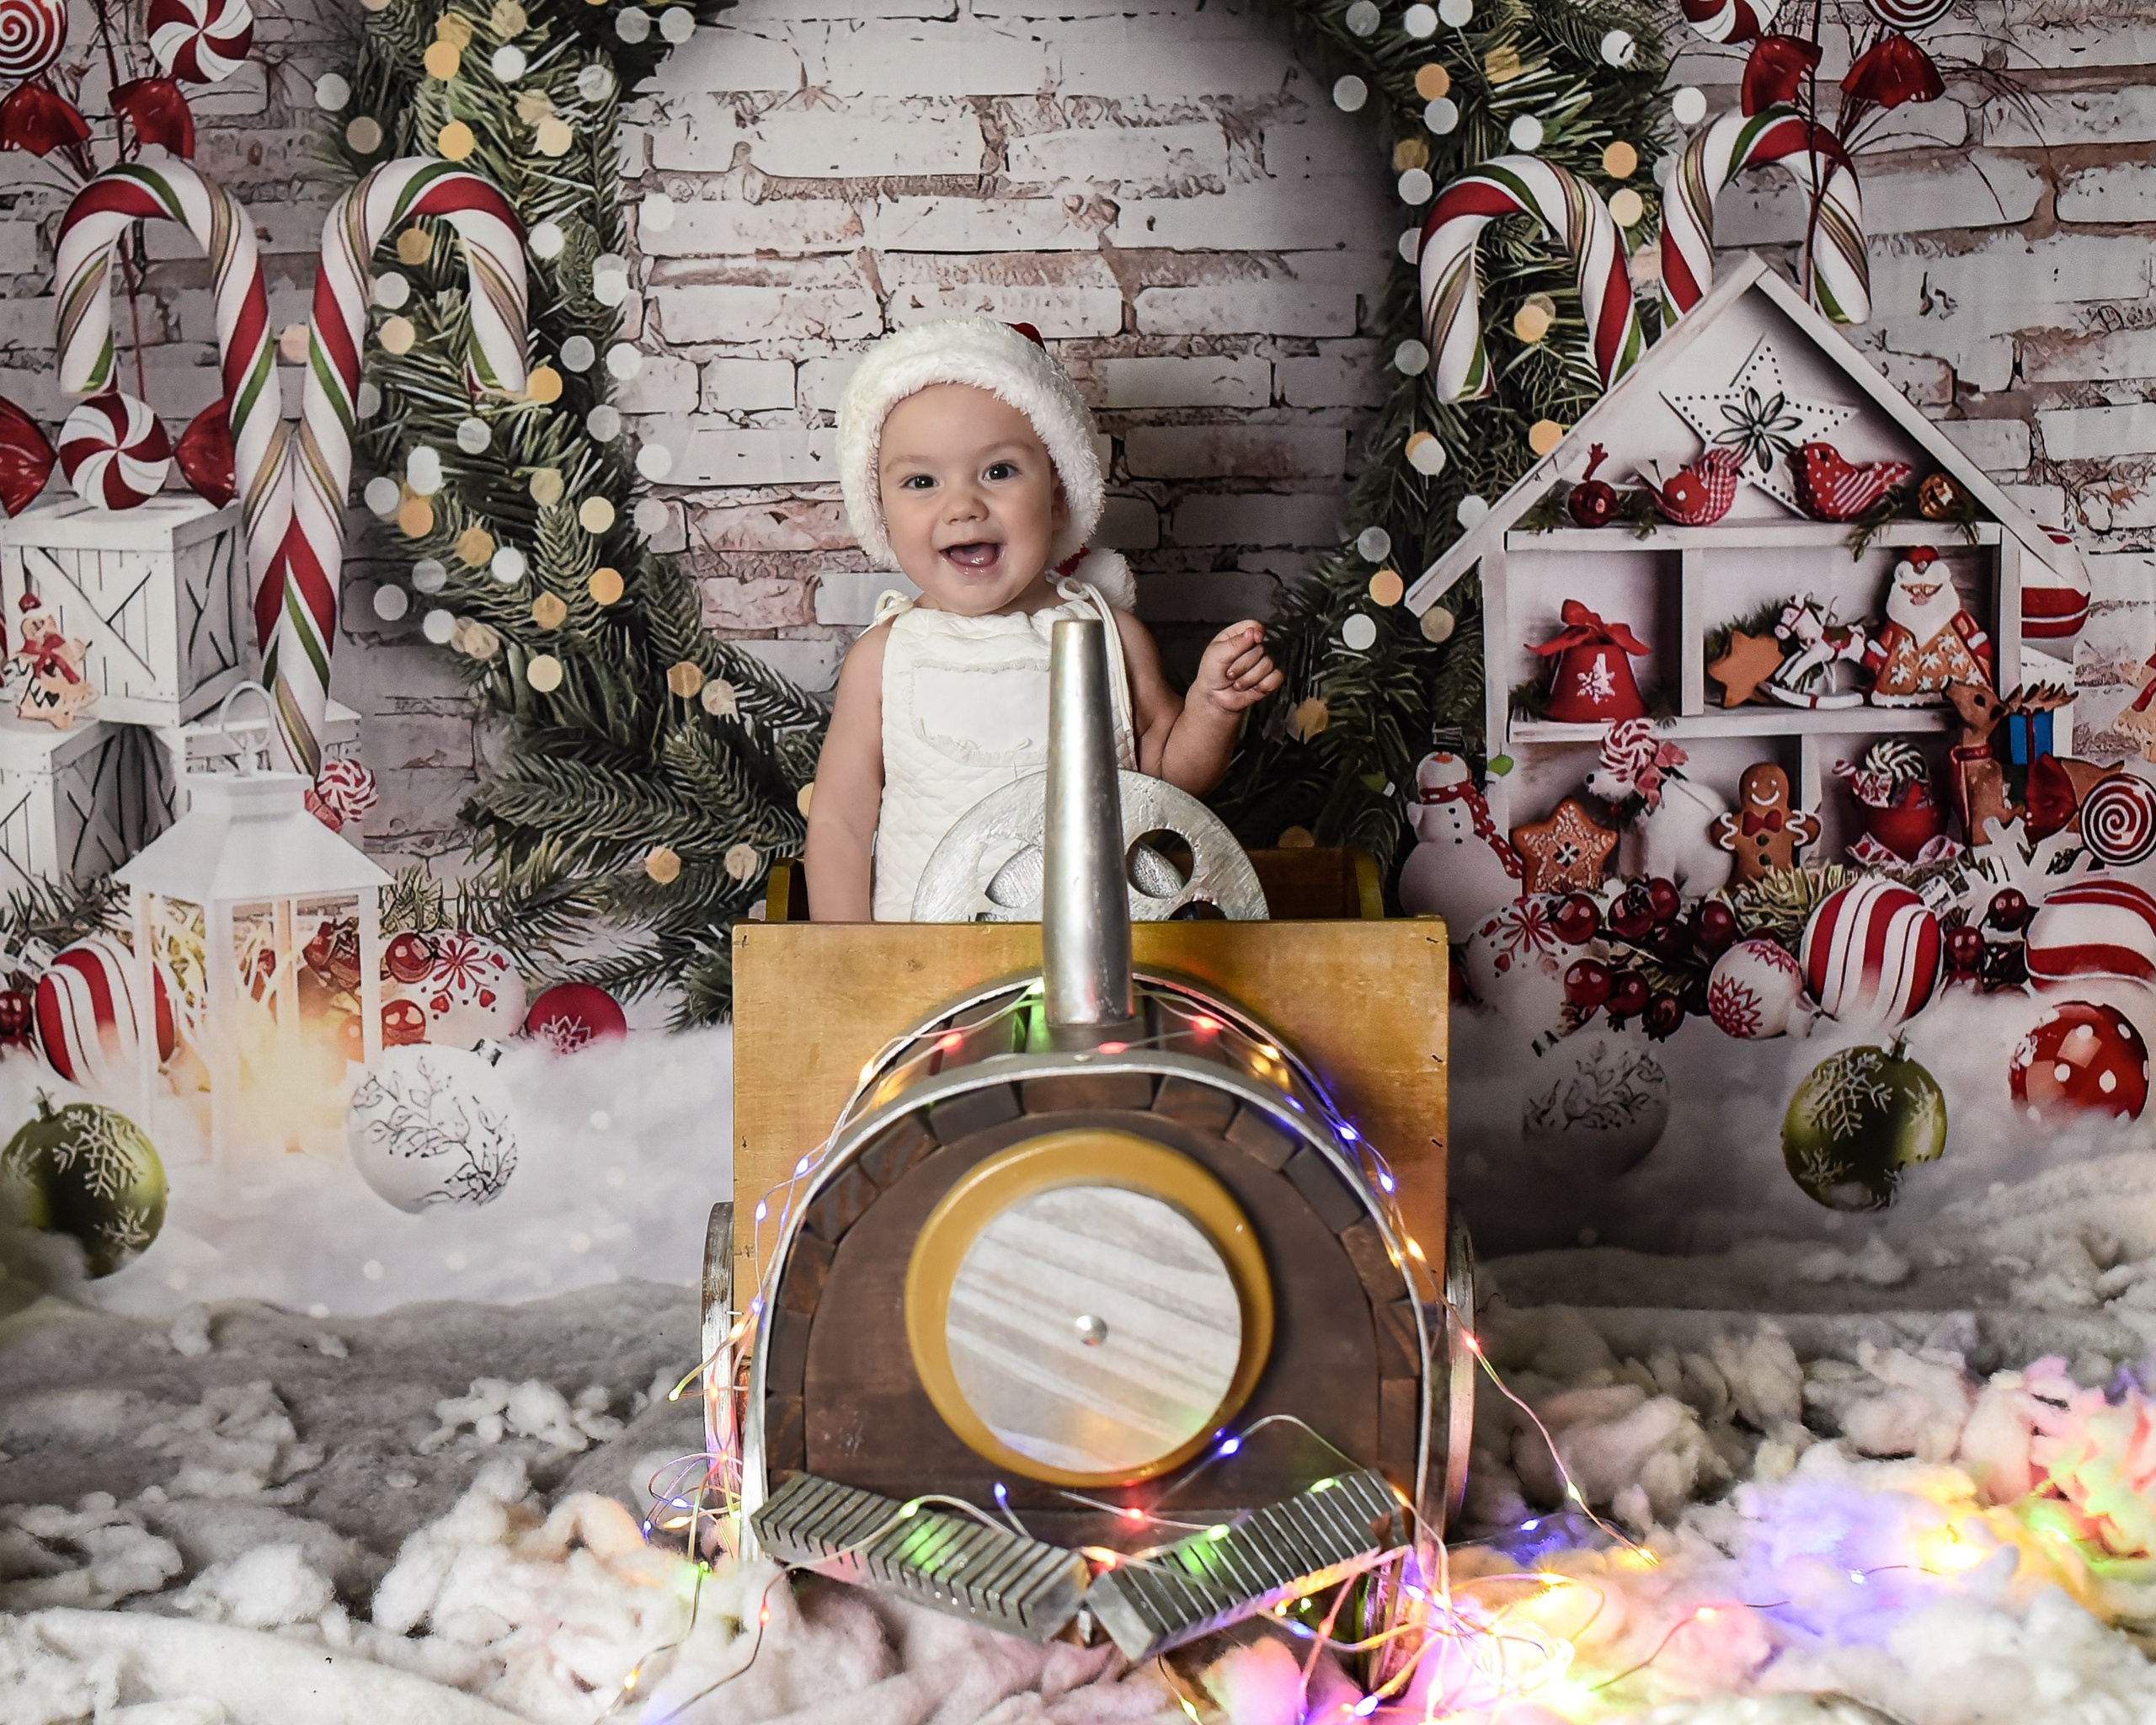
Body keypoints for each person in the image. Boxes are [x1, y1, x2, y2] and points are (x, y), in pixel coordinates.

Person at [804, 318, 1282, 922]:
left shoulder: (1111, 634)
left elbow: (1168, 783)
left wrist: (1211, 710)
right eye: (921, 481)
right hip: (927, 965)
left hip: (1106, 951)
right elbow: (843, 820)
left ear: (1058, 495)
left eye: (998, 471)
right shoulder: (885, 655)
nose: (962, 506)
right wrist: (848, 956)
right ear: (880, 511)